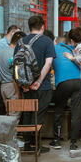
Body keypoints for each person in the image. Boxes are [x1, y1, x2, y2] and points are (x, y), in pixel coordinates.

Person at [15, 16, 56, 153]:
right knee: (39, 114)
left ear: (29, 27)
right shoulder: (47, 41)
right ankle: (35, 144)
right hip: (42, 86)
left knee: (28, 113)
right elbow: (48, 63)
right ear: (43, 27)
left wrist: (24, 85)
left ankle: (28, 143)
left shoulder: (20, 42)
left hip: (26, 87)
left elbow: (16, 65)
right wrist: (38, 81)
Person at [52, 32, 81, 150]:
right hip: (78, 81)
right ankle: (73, 143)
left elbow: (50, 65)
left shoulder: (54, 49)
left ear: (57, 42)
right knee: (76, 112)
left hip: (63, 82)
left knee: (59, 109)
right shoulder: (74, 50)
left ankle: (56, 140)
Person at [0, 25, 20, 115]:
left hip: (4, 79)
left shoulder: (10, 46)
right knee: (1, 107)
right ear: (12, 32)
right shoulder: (1, 42)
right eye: (17, 34)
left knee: (6, 109)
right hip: (0, 78)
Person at [0, 31, 25, 118]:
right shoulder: (14, 54)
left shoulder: (2, 52)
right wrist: (17, 93)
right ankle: (12, 132)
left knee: (9, 114)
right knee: (14, 116)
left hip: (3, 86)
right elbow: (14, 75)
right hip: (12, 87)